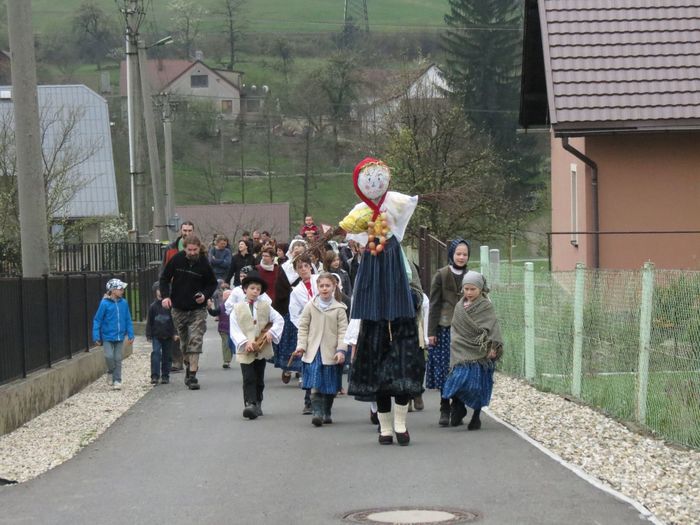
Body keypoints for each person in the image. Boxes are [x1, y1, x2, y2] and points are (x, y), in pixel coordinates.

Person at [334, 157, 424, 446]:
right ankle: (385, 428)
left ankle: (400, 424)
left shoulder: (397, 256)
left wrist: (411, 302)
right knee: (380, 379)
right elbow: (349, 225)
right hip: (375, 320)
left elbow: (408, 202)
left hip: (399, 318)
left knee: (401, 376)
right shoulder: (368, 265)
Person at [442, 271, 503, 430]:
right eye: (466, 289)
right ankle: (459, 405)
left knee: (478, 385)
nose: (469, 292)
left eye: (472, 289)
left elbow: (493, 327)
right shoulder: (459, 306)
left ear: (480, 289)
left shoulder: (486, 306)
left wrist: (493, 347)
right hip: (460, 350)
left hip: (480, 352)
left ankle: (476, 416)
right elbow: (455, 327)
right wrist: (455, 341)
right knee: (458, 379)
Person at [159, 235, 218, 391]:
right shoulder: (177, 260)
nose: (192, 253)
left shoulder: (204, 263)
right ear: (184, 248)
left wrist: (205, 295)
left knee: (195, 340)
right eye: (189, 250)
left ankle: (192, 376)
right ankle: (188, 367)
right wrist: (165, 296)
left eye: (195, 250)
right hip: (178, 308)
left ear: (199, 248)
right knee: (184, 344)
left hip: (198, 309)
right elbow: (164, 278)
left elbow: (212, 283)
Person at [292, 272, 348, 427]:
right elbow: (303, 327)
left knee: (329, 384)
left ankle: (326, 411)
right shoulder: (310, 306)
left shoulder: (339, 309)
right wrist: (301, 346)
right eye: (321, 285)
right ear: (317, 287)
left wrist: (341, 350)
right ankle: (317, 412)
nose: (324, 288)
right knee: (315, 381)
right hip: (313, 351)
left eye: (327, 285)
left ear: (334, 287)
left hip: (331, 352)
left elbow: (343, 331)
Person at [229, 271, 284, 420]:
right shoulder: (237, 308)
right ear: (245, 289)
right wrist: (244, 342)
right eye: (252, 288)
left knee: (259, 377)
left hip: (261, 347)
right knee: (248, 377)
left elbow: (279, 320)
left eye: (258, 289)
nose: (255, 291)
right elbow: (234, 328)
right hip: (245, 349)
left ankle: (258, 401)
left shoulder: (266, 306)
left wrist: (271, 332)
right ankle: (250, 403)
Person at [427, 238, 471, 426]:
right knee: (445, 368)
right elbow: (434, 305)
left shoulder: (471, 276)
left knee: (462, 368)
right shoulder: (441, 275)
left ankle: (458, 405)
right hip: (445, 328)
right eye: (458, 254)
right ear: (452, 254)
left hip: (465, 330)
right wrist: (431, 332)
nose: (461, 257)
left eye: (465, 254)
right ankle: (444, 406)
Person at [161, 221, 195, 373]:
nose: (186, 233)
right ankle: (177, 360)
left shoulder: (197, 249)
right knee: (176, 326)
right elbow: (164, 270)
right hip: (174, 290)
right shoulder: (171, 248)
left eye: (189, 230)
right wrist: (163, 290)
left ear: (193, 231)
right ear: (181, 231)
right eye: (184, 230)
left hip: (191, 292)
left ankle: (191, 358)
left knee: (191, 328)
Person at [272, 239, 307, 385]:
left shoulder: (310, 266)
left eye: (301, 246)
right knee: (289, 341)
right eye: (296, 246)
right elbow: (279, 287)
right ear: (291, 250)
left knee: (303, 341)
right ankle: (287, 367)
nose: (298, 249)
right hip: (288, 308)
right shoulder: (285, 267)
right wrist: (292, 292)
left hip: (305, 309)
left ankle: (302, 370)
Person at [288, 254, 320, 414]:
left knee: (325, 364)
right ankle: (308, 400)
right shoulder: (296, 292)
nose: (303, 269)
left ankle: (323, 398)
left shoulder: (320, 281)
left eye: (306, 266)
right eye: (299, 267)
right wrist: (305, 325)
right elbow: (294, 315)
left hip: (326, 328)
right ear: (296, 271)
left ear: (311, 266)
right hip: (308, 331)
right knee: (309, 363)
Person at [92, 278, 135, 391]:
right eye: (120, 289)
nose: (122, 291)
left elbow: (128, 319)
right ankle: (110, 371)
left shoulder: (124, 303)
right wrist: (96, 336)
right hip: (107, 336)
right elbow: (97, 320)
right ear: (113, 290)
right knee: (109, 356)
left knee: (118, 358)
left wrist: (131, 334)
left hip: (120, 336)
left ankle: (117, 380)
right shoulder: (104, 303)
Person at [146, 282, 177, 385]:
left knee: (167, 356)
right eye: (159, 290)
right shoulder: (153, 306)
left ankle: (165, 376)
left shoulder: (170, 305)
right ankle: (155, 375)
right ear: (155, 291)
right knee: (156, 353)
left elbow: (174, 320)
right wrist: (148, 334)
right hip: (156, 335)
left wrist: (175, 333)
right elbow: (149, 321)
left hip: (168, 334)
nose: (160, 292)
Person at [207, 283, 233, 369]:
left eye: (229, 296)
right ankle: (226, 361)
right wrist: (209, 308)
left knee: (230, 344)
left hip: (233, 329)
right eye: (225, 296)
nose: (227, 298)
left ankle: (228, 359)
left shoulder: (236, 306)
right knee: (226, 344)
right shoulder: (221, 307)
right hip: (223, 329)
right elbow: (214, 313)